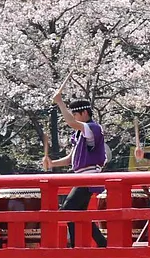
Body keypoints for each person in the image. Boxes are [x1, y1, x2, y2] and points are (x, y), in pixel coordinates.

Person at [42, 90, 108, 248]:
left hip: (89, 177)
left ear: (84, 113)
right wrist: (52, 163)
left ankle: (77, 245)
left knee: (68, 210)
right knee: (78, 214)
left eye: (76, 115)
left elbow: (71, 122)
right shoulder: (80, 135)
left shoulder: (93, 128)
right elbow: (70, 159)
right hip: (81, 177)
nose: (74, 119)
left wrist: (60, 102)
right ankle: (100, 243)